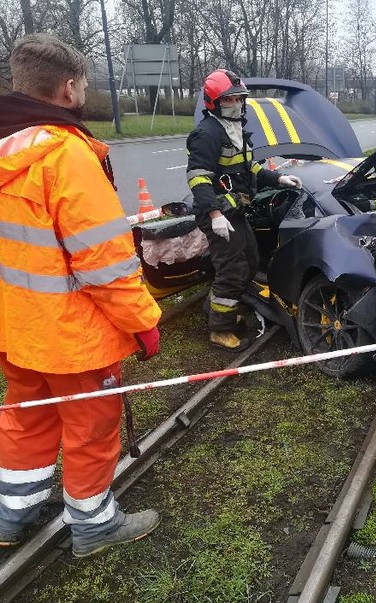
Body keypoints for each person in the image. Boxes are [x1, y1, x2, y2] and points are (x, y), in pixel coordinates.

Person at [0, 34, 162, 557]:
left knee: (27, 414)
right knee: (91, 424)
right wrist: (143, 321)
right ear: (69, 88)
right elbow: (105, 263)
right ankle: (93, 523)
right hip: (73, 333)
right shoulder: (66, 155)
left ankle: (11, 513)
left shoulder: (6, 147)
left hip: (16, 328)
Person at [187, 69, 302, 352]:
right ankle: (220, 329)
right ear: (214, 102)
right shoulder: (206, 134)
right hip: (217, 214)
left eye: (240, 98)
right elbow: (198, 178)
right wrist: (214, 214)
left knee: (250, 261)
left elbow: (247, 167)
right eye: (230, 99)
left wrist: (277, 178)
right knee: (232, 269)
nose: (237, 103)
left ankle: (219, 308)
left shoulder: (235, 128)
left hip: (234, 210)